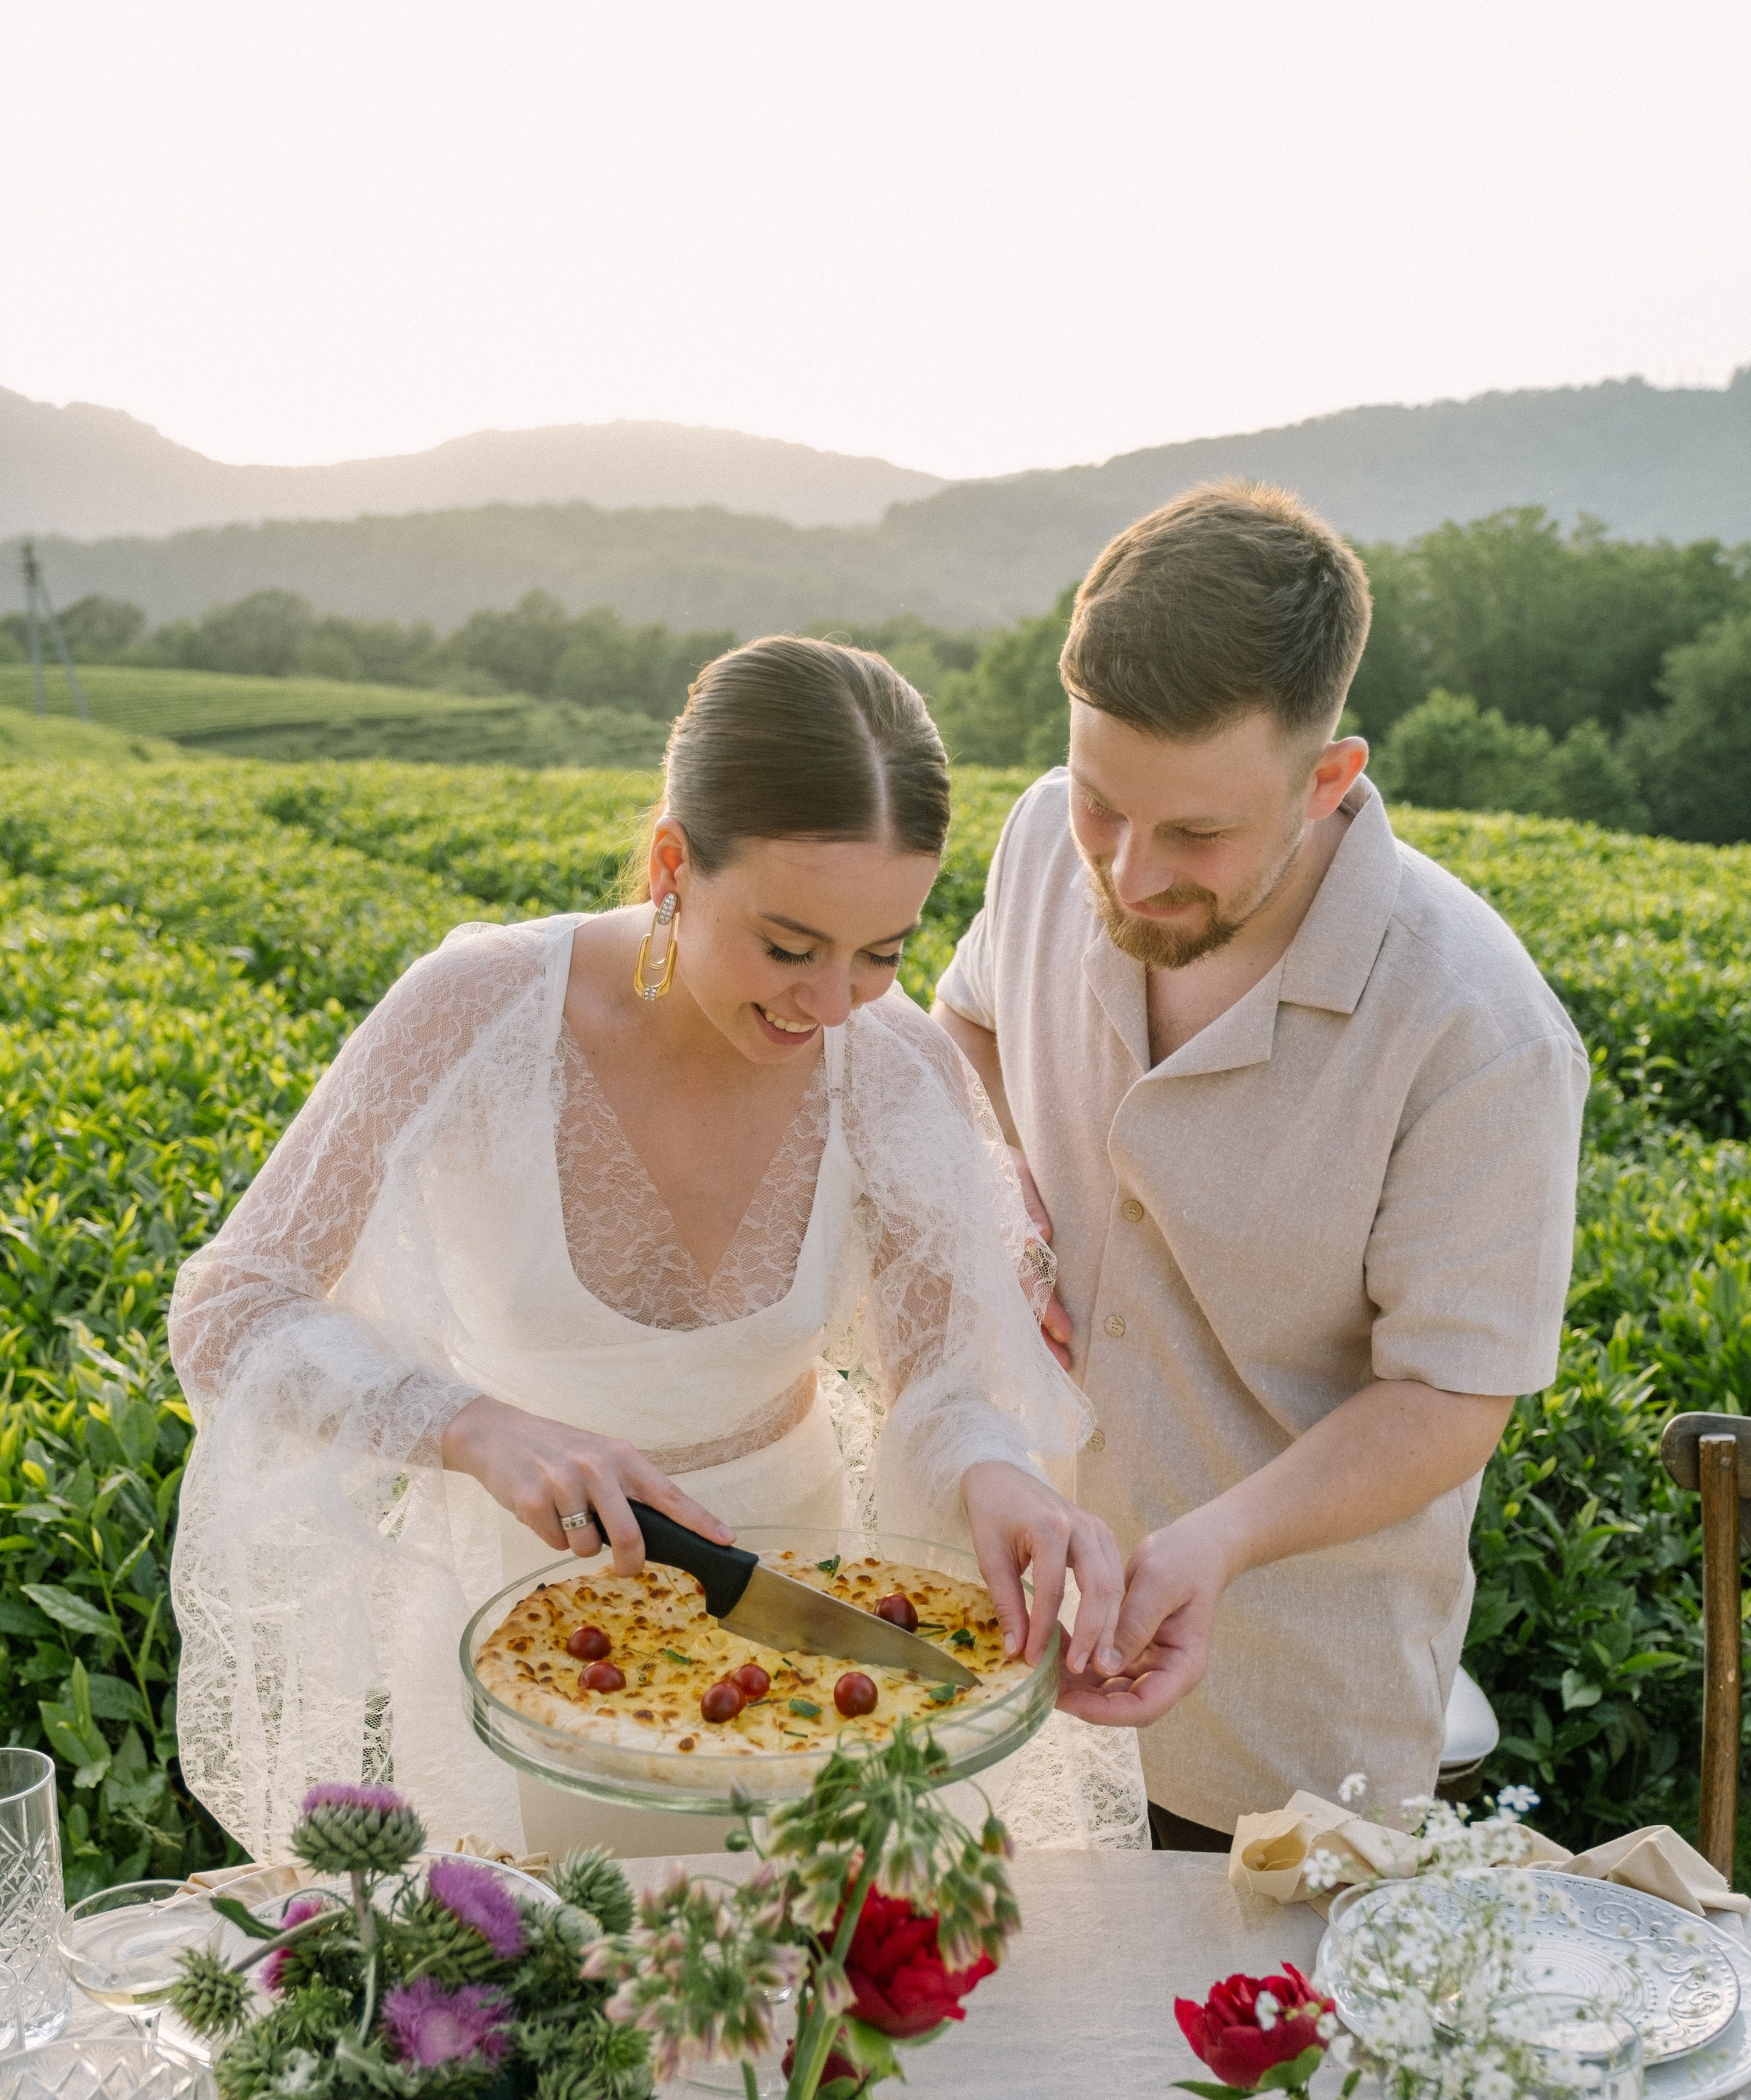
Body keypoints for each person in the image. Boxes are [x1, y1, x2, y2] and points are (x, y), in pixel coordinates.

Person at [168, 637, 1131, 1864]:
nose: (833, 1004)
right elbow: (230, 1308)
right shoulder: (476, 1012)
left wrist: (998, 1471)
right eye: (790, 947)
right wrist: (472, 1426)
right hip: (523, 1627)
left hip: (802, 1631)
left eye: (884, 952)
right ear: (675, 861)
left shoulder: (890, 1064)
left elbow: (939, 1386)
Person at [934, 482, 1589, 1846]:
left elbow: (1448, 1399)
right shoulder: (1040, 841)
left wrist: (1211, 1545)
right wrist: (993, 1175)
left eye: (1197, 834)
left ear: (1327, 778)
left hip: (1284, 1729)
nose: (1125, 872)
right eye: (1102, 806)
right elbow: (968, 1025)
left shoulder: (1478, 1032)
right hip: (1001, 1654)